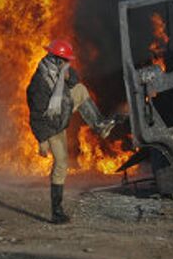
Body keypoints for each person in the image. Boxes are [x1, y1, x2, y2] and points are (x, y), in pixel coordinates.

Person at [26, 39, 118, 224]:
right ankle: (56, 212)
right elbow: (36, 115)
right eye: (65, 61)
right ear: (55, 59)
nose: (68, 64)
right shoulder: (39, 84)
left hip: (61, 112)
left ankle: (99, 125)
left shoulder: (61, 72)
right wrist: (42, 140)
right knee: (61, 164)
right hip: (49, 125)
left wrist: (68, 76)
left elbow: (75, 80)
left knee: (80, 89)